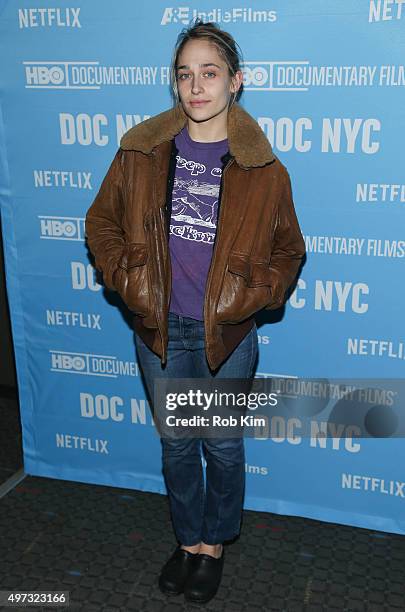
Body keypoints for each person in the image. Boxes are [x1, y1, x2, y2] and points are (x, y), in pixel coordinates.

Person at [85, 20, 305, 605]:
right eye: (185, 75)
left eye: (210, 73)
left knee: (222, 446)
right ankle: (188, 542)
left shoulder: (263, 168)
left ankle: (215, 547)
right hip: (160, 329)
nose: (196, 86)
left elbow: (290, 249)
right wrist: (125, 278)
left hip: (226, 335)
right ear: (174, 84)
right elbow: (100, 222)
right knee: (178, 445)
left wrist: (256, 294)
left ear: (236, 82)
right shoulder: (141, 151)